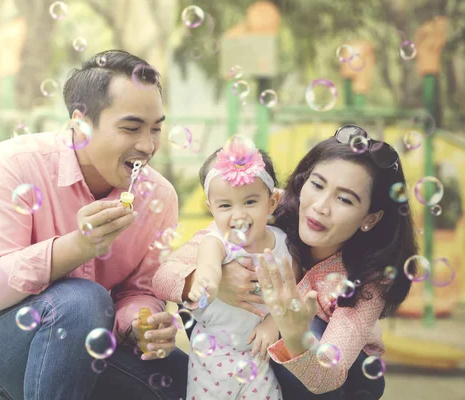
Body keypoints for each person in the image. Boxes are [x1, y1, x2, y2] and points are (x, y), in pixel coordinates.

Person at [0, 50, 187, 400]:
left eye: (156, 128)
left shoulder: (158, 196)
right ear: (80, 125)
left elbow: (138, 292)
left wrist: (141, 324)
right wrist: (76, 247)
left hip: (81, 339)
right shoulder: (14, 163)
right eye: (131, 128)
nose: (147, 145)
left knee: (179, 376)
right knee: (82, 301)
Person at [153, 125, 417, 399]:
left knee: (309, 328)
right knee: (201, 305)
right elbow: (167, 275)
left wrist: (289, 330)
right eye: (317, 185)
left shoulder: (370, 281)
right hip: (246, 362)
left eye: (344, 199)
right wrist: (215, 279)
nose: (320, 207)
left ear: (370, 218)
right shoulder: (261, 213)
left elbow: (326, 377)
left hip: (342, 384)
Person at [184, 142, 285, 400]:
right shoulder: (217, 240)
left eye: (250, 201)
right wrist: (208, 282)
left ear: (272, 202)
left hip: (258, 355)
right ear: (211, 208)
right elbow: (209, 263)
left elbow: (290, 295)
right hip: (213, 353)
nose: (238, 215)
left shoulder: (283, 245)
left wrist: (273, 323)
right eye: (225, 206)